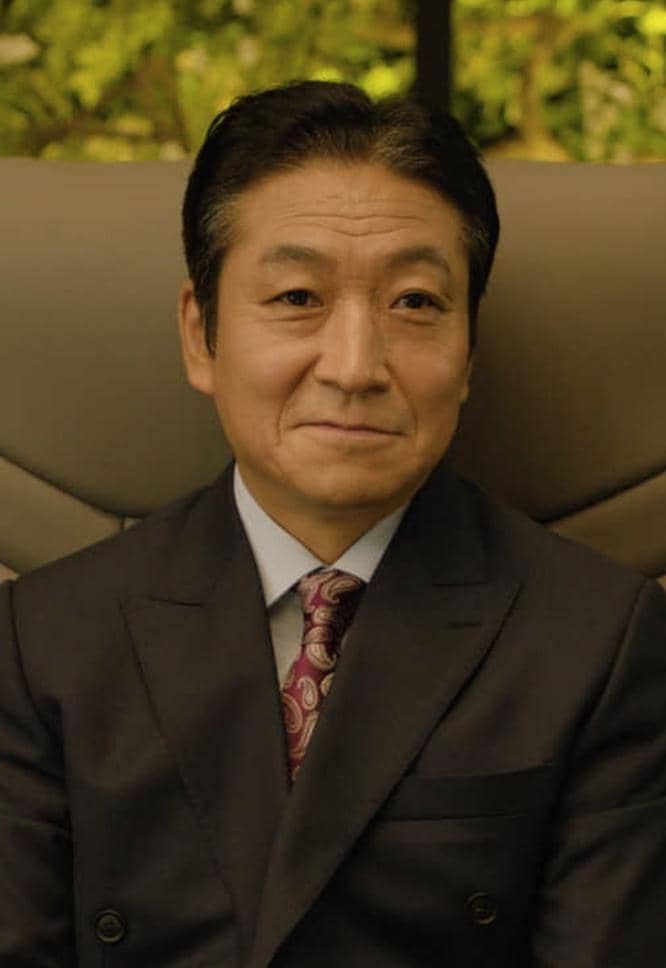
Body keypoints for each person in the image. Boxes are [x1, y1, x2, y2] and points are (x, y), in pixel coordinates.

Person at [1, 80, 664, 968]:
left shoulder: (604, 643)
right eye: (296, 297)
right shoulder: (40, 642)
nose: (355, 367)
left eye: (415, 303)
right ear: (201, 335)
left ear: (470, 351)